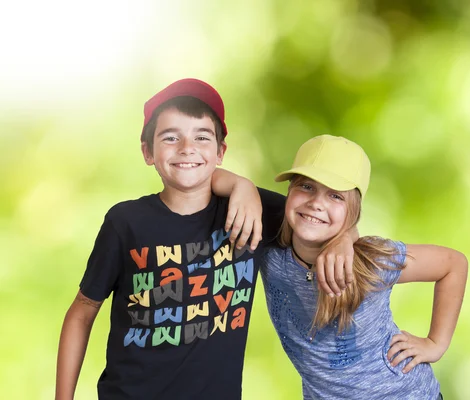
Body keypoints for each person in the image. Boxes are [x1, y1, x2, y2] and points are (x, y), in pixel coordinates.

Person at [55, 79, 355, 400]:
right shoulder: (125, 222)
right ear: (147, 151)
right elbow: (83, 309)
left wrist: (344, 239)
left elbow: (326, 217)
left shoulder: (252, 210)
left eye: (201, 136)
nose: (187, 148)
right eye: (171, 137)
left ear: (220, 151)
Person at [261, 135, 468, 399]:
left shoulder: (371, 261)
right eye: (306, 186)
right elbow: (218, 182)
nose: (316, 203)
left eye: (335, 195)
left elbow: (453, 264)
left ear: (353, 212)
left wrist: (435, 344)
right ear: (288, 191)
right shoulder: (270, 250)